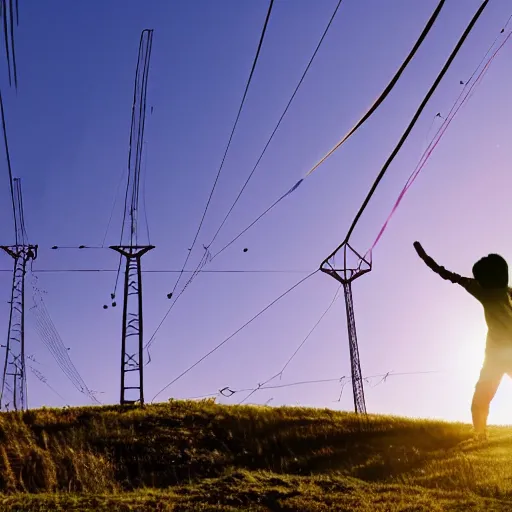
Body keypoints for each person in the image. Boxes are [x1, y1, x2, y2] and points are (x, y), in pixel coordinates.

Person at [413, 241, 512, 437]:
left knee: (480, 399)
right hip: (494, 355)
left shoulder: (504, 291)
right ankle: (480, 436)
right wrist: (426, 259)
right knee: (480, 399)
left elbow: (450, 276)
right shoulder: (482, 289)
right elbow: (449, 275)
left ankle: (480, 435)